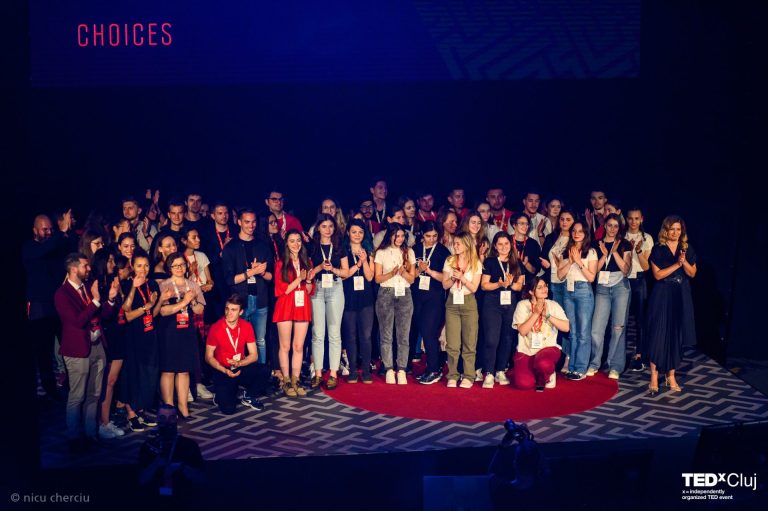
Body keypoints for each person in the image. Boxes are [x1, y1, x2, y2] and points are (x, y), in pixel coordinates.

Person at [55, 253, 118, 450]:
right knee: (77, 395)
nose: (89, 269)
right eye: (85, 266)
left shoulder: (88, 287)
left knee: (94, 393)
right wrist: (96, 301)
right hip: (77, 350)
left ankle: (91, 433)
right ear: (73, 269)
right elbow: (77, 322)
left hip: (97, 345)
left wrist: (110, 300)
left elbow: (102, 314)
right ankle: (74, 437)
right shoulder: (62, 294)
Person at [645, 216, 697, 396]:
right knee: (658, 334)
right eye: (672, 229)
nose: (675, 232)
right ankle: (654, 375)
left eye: (678, 229)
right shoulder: (658, 249)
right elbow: (658, 275)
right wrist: (677, 264)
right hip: (662, 294)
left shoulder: (687, 248)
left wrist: (684, 262)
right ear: (665, 230)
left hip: (681, 294)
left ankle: (671, 375)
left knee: (676, 335)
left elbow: (692, 273)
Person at [23, 213, 72, 400]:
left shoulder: (54, 249)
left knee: (67, 345)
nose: (49, 232)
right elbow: (43, 250)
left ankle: (70, 385)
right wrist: (60, 232)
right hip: (40, 307)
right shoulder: (29, 248)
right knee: (43, 350)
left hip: (58, 305)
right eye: (45, 229)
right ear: (35, 230)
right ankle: (49, 391)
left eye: (51, 229)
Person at [221, 208, 274, 366]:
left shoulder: (263, 245)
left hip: (260, 300)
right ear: (239, 222)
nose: (251, 225)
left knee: (260, 340)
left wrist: (262, 272)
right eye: (247, 222)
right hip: (240, 302)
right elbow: (229, 280)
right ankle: (240, 373)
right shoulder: (231, 247)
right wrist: (250, 272)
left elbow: (271, 277)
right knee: (238, 341)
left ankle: (261, 374)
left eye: (253, 222)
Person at [158, 253, 206, 419]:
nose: (179, 268)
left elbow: (200, 310)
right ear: (169, 268)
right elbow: (163, 311)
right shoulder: (164, 285)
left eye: (182, 265)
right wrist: (184, 302)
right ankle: (169, 409)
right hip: (169, 332)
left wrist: (193, 301)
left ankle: (183, 407)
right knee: (169, 371)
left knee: (184, 370)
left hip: (187, 332)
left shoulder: (192, 284)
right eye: (175, 265)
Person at [121, 252, 165, 432]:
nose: (143, 269)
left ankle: (141, 410)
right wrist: (135, 289)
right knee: (133, 373)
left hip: (149, 333)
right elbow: (127, 314)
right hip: (133, 335)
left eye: (146, 265)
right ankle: (131, 413)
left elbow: (153, 313)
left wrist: (159, 301)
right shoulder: (126, 284)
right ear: (132, 266)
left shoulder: (152, 284)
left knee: (149, 374)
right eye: (139, 265)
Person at [205, 294, 270, 413]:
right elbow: (208, 357)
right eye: (227, 309)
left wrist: (240, 363)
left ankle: (249, 396)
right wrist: (224, 370)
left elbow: (254, 355)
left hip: (239, 365)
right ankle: (221, 394)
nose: (229, 313)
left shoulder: (246, 326)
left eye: (233, 310)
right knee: (228, 410)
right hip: (223, 369)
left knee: (264, 370)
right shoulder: (216, 328)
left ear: (241, 312)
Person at [588, 214, 632, 380]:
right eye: (610, 225)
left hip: (621, 287)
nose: (612, 229)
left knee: (618, 328)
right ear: (604, 226)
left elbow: (626, 270)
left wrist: (614, 253)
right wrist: (605, 255)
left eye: (616, 226)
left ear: (619, 228)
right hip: (602, 288)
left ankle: (615, 366)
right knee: (596, 329)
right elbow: (595, 270)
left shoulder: (624, 244)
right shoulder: (596, 244)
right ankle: (594, 363)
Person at [308, 214, 349, 389]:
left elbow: (346, 272)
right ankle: (318, 373)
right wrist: (319, 267)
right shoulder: (311, 247)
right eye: (324, 226)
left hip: (335, 287)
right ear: (318, 228)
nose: (327, 229)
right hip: (317, 288)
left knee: (334, 332)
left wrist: (334, 269)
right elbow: (308, 273)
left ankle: (333, 373)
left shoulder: (339, 247)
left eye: (330, 226)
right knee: (318, 333)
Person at [480, 232, 524, 388]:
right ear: (495, 246)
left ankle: (500, 370)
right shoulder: (490, 262)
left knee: (507, 338)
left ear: (510, 245)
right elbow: (484, 285)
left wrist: (509, 284)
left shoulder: (516, 263)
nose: (504, 247)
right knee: (491, 339)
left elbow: (519, 286)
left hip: (510, 303)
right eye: (500, 244)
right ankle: (489, 373)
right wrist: (499, 284)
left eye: (506, 243)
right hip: (492, 303)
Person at [374, 223, 417, 384]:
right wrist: (391, 274)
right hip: (386, 293)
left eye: (402, 236)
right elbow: (377, 278)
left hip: (404, 293)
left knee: (403, 335)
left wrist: (403, 272)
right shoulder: (381, 253)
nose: (399, 239)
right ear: (390, 235)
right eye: (396, 236)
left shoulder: (409, 252)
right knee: (386, 334)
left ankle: (402, 369)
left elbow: (412, 279)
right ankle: (389, 369)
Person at [91, 249, 127, 439]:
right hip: (106, 335)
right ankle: (99, 422)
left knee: (112, 381)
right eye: (110, 261)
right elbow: (101, 315)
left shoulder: (114, 281)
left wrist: (118, 294)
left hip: (118, 334)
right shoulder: (96, 284)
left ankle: (105, 421)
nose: (113, 264)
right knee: (104, 382)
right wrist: (111, 298)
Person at [273, 230, 314, 396]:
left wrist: (308, 279)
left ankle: (296, 379)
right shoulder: (280, 263)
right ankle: (286, 380)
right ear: (286, 244)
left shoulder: (307, 262)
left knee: (298, 346)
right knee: (285, 346)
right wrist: (299, 279)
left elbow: (309, 290)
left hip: (302, 305)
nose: (296, 244)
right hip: (285, 305)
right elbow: (282, 290)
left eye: (298, 240)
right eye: (292, 241)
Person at [556, 220, 598, 380]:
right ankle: (572, 366)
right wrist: (571, 261)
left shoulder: (591, 252)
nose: (576, 233)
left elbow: (591, 277)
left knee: (583, 332)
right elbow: (560, 275)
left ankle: (580, 368)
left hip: (583, 291)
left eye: (580, 231)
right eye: (574, 230)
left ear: (586, 233)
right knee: (572, 332)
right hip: (568, 291)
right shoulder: (566, 251)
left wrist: (579, 262)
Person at [512, 277, 569, 391]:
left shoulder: (553, 305)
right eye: (540, 287)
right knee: (524, 384)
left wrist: (547, 315)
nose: (545, 289)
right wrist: (536, 313)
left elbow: (566, 328)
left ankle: (546, 375)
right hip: (527, 350)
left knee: (543, 364)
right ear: (531, 291)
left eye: (545, 286)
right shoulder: (522, 305)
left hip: (548, 348)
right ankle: (536, 373)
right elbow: (522, 331)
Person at [137, 404, 204, 502]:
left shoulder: (189, 445)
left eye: (171, 418)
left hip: (184, 499)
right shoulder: (148, 446)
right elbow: (141, 480)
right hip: (155, 500)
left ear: (176, 419)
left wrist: (182, 467)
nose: (167, 422)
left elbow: (201, 479)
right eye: (163, 418)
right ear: (157, 419)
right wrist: (157, 463)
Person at [442, 232, 483, 388]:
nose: (455, 246)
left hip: (469, 302)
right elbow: (444, 285)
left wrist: (463, 278)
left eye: (458, 243)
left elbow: (474, 288)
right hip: (452, 302)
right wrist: (453, 277)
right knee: (452, 343)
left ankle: (468, 376)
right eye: (455, 243)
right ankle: (452, 375)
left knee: (469, 342)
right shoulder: (450, 260)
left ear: (467, 244)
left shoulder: (476, 263)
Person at [412, 221, 450, 385]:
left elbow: (446, 278)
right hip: (417, 296)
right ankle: (432, 367)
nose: (432, 239)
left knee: (429, 332)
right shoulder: (414, 249)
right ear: (422, 235)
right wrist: (419, 270)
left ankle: (434, 370)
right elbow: (410, 275)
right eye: (428, 236)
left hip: (435, 297)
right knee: (422, 332)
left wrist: (429, 271)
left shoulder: (443, 251)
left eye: (435, 236)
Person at [180, 226, 215, 400]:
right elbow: (182, 284)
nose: (198, 240)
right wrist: (190, 273)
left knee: (201, 343)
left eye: (198, 236)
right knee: (188, 344)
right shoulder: (179, 259)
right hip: (186, 305)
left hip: (202, 302)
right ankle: (186, 386)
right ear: (184, 240)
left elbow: (210, 280)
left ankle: (199, 383)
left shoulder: (201, 256)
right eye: (193, 237)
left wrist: (206, 285)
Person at [539, 209, 575, 371]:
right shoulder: (551, 237)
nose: (564, 222)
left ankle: (568, 358)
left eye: (568, 219)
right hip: (552, 284)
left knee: (566, 322)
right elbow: (543, 259)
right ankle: (551, 357)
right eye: (562, 219)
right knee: (551, 320)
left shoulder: (575, 240)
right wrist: (547, 265)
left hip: (568, 284)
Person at [341, 219, 376, 384]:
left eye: (360, 232)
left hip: (366, 298)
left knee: (366, 336)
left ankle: (366, 371)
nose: (357, 235)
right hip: (348, 297)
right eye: (354, 232)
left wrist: (365, 261)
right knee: (350, 336)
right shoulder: (343, 251)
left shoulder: (369, 251)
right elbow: (345, 275)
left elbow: (369, 277)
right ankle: (353, 371)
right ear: (348, 233)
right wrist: (358, 263)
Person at [624, 208, 654, 371]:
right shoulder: (622, 236)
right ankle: (619, 355)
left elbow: (646, 266)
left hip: (639, 279)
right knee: (621, 320)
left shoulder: (646, 238)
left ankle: (639, 355)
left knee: (640, 320)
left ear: (641, 219)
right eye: (630, 218)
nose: (633, 222)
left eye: (636, 218)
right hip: (622, 279)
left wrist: (638, 250)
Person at [510, 212, 542, 286]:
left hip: (528, 284)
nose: (525, 226)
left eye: (527, 224)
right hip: (510, 282)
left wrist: (526, 264)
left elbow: (535, 270)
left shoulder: (533, 244)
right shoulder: (507, 241)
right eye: (522, 223)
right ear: (514, 225)